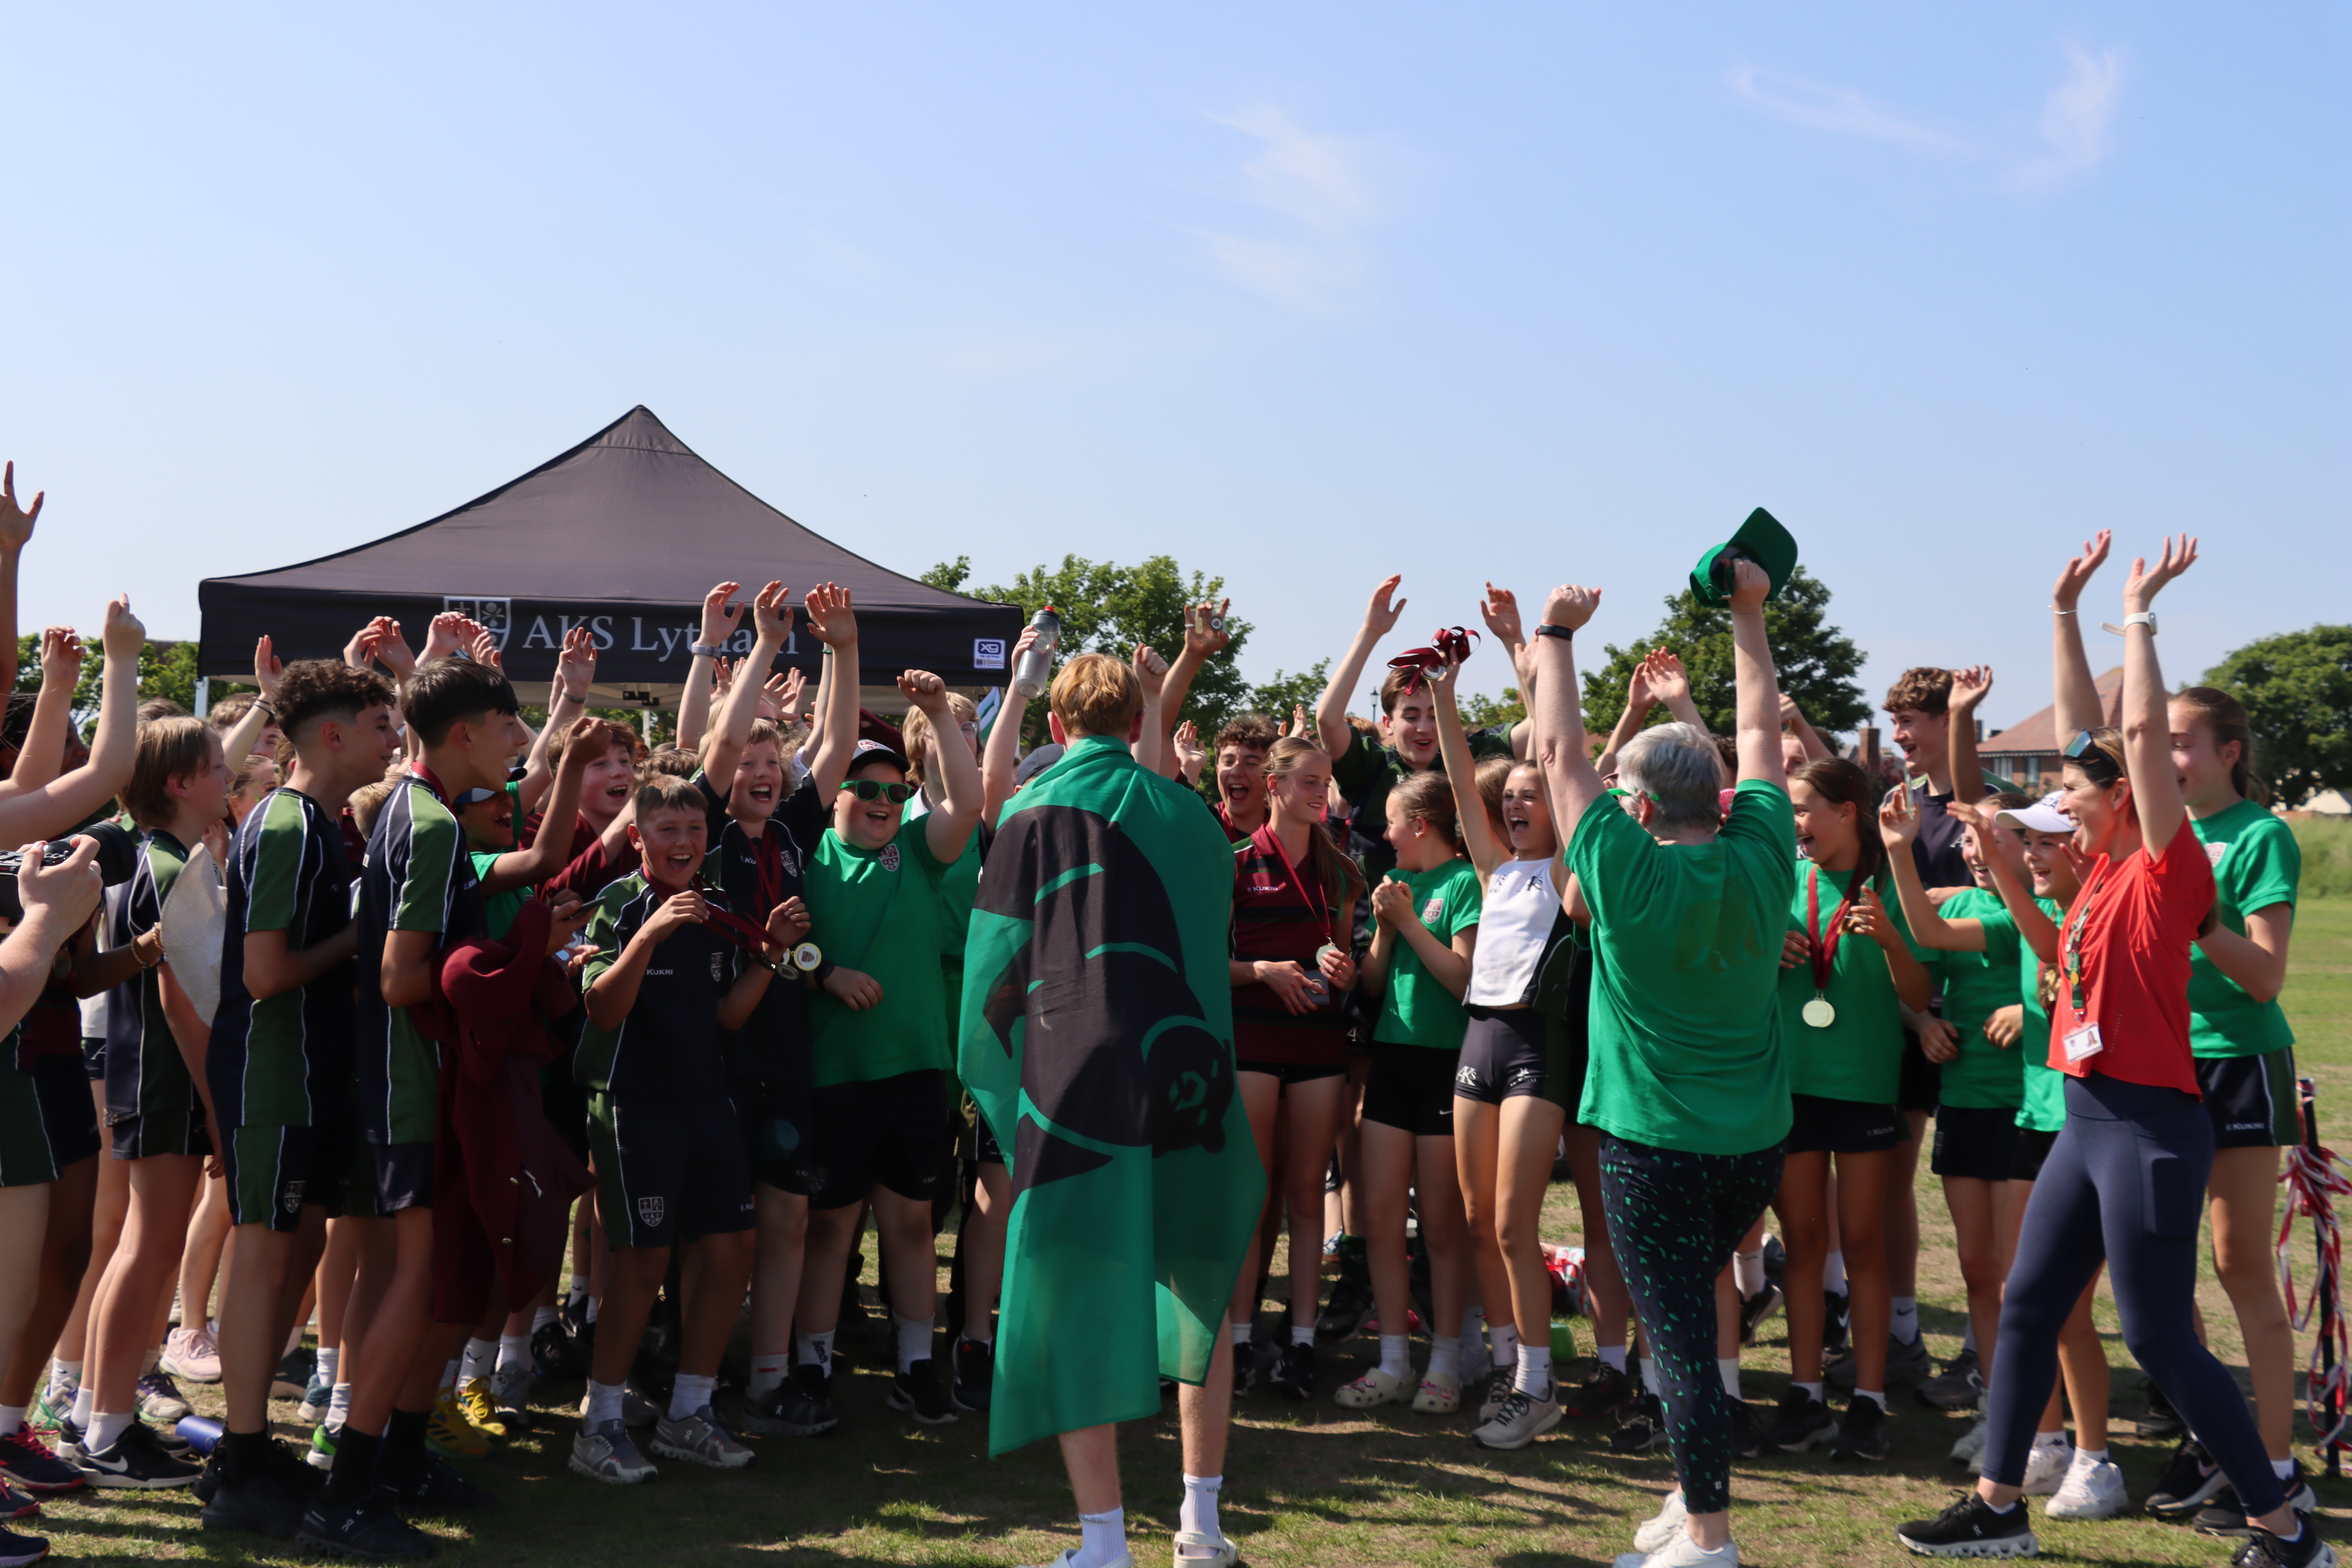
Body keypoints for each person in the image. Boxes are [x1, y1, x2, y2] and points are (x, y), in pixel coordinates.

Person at [1895, 535, 2328, 1566]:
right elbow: (2058, 967)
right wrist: (2006, 870)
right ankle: (1999, 1508)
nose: (2061, 820)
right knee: (2032, 1305)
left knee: (2158, 1336)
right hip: (2087, 1116)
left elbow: (2127, 730)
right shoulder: (2091, 881)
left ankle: (2283, 1526)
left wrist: (2133, 614)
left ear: (2124, 801)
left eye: (2073, 805)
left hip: (2149, 1123)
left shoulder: (2167, 867)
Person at [959, 651, 1263, 1568]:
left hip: (1072, 1086)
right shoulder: (1199, 820)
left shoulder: (1028, 811)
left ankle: (1104, 1542)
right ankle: (1201, 1526)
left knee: (1070, 1299)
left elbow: (990, 971)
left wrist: (1000, 1092)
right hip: (1190, 1080)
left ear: (1056, 728)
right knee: (1198, 1285)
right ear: (1138, 724)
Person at [1532, 560, 1792, 1568]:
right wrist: (1748, 616)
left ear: (1636, 807)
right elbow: (1765, 730)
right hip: (1754, 1149)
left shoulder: (1624, 868)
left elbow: (1558, 752)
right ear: (1715, 795)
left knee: (1681, 1349)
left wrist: (1557, 637)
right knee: (1688, 1327)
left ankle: (1713, 1544)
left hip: (1652, 1150)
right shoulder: (1765, 843)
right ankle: (1692, 1505)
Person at [306, 654, 522, 1560]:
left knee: (429, 1282)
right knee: (414, 1281)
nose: (523, 740)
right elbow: (399, 977)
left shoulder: (410, 804)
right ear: (466, 732)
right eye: (513, 724)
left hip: (411, 1073)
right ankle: (346, 1492)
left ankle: (394, 1459)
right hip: (409, 1075)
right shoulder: (431, 821)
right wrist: (492, 978)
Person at [198, 659, 400, 1540]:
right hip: (273, 1073)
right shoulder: (284, 823)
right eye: (380, 721)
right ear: (334, 734)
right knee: (265, 1256)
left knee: (296, 1247)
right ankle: (242, 1463)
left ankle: (248, 1447)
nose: (393, 737)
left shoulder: (320, 822)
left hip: (313, 1071)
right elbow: (265, 971)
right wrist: (366, 938)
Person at [568, 773, 804, 1484]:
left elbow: (729, 1016)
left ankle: (689, 1412)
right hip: (634, 1100)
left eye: (695, 830)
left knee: (735, 1249)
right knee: (642, 1261)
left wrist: (769, 955)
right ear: (638, 836)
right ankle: (600, 1422)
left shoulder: (722, 907)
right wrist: (651, 930)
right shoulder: (617, 903)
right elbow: (603, 1011)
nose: (684, 842)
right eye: (667, 830)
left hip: (706, 1100)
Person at [790, 581, 983, 1428]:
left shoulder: (918, 845)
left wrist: (941, 717)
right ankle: (811, 1367)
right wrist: (823, 970)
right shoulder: (804, 856)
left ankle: (917, 1364)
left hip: (915, 1069)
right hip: (832, 1071)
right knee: (830, 1228)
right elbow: (774, 944)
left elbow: (968, 805)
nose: (876, 801)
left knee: (909, 1224)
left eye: (888, 790)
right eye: (861, 789)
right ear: (835, 794)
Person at [69, 715, 234, 1491]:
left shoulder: (170, 856)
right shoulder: (172, 865)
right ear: (178, 783)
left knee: (142, 1247)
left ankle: (95, 1420)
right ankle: (105, 1429)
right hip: (163, 1081)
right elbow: (183, 1001)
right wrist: (216, 1102)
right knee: (148, 1249)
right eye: (216, 767)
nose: (229, 777)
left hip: (149, 1079)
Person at [2161, 681, 2309, 1532]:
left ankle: (2281, 1467)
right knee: (2161, 1268)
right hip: (2156, 1065)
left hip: (2240, 1062)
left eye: (2185, 741)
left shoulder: (2260, 835)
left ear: (2228, 753)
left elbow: (2265, 976)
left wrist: (2198, 919)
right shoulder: (2160, 830)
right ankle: (2212, 1443)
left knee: (2238, 1262)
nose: (2169, 756)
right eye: (2162, 741)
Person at [1428, 644, 1574, 1449]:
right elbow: (1457, 776)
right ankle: (1509, 1361)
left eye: (1532, 797)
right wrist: (1447, 698)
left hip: (1536, 1041)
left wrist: (1544, 663)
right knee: (1480, 1218)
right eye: (1509, 798)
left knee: (1519, 1223)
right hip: (1477, 1037)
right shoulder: (1496, 869)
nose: (1517, 807)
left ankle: (1539, 1383)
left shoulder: (1566, 874)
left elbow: (1561, 753)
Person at [1764, 757, 1930, 1465]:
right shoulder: (1784, 881)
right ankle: (1805, 1393)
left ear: (1848, 811)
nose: (1797, 824)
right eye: (1794, 810)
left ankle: (1868, 1399)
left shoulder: (1894, 885)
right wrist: (1766, 952)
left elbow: (1921, 996)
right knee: (1803, 1242)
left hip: (1865, 1084)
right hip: (1792, 1086)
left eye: (1806, 809)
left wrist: (1892, 939)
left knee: (1862, 1244)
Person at [1332, 763, 1480, 1416]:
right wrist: (1387, 929)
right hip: (1391, 1062)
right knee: (1383, 1221)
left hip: (1448, 1068)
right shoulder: (1397, 885)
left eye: (1392, 823)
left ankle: (1446, 1364)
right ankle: (1393, 1361)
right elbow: (1370, 986)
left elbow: (1464, 981)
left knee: (1444, 1227)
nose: (1386, 835)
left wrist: (1411, 924)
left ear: (1420, 825)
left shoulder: (1464, 884)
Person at [1225, 737, 1362, 1402]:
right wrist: (1263, 972)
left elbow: (1348, 961)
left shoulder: (1340, 872)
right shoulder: (1234, 864)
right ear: (1274, 787)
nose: (1319, 792)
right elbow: (1203, 964)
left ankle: (1302, 1340)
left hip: (1318, 1045)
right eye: (1307, 780)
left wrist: (1342, 967)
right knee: (1252, 1195)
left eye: (1325, 781)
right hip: (1250, 1039)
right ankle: (1241, 1338)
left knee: (1309, 1196)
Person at [0, 838, 107, 1568]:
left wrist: (151, 947)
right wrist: (41, 913)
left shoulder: (45, 859)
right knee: (10, 1288)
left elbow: (74, 971)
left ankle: (8, 1424)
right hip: (19, 1068)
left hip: (46, 1064)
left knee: (58, 1261)